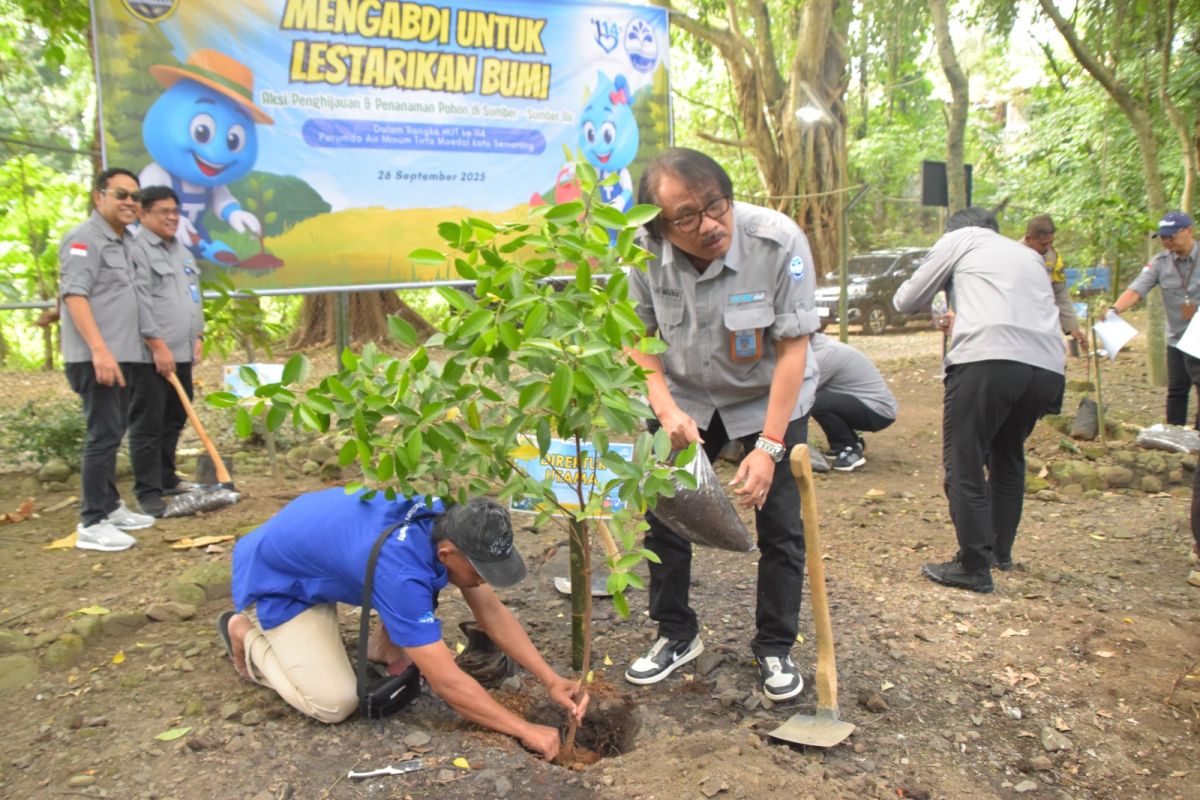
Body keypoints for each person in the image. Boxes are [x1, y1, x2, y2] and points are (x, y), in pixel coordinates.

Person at [622, 147, 820, 701]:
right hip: (682, 395)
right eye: (687, 217)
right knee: (665, 515)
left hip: (766, 396)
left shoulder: (778, 243)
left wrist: (770, 447)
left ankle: (776, 645)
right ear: (659, 226)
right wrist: (663, 408)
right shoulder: (638, 255)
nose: (710, 224)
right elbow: (636, 337)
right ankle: (676, 634)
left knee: (780, 524)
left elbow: (792, 351)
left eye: (716, 205)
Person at [220, 490, 587, 760]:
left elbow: (491, 612)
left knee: (410, 615)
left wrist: (551, 679)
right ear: (447, 553)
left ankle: (382, 647)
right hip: (281, 579)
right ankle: (246, 635)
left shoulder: (451, 518)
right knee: (334, 703)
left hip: (321, 546)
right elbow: (446, 683)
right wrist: (524, 729)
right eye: (480, 571)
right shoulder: (401, 573)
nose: (483, 580)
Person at [894, 207, 1065, 593]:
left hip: (989, 359)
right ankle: (998, 552)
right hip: (1047, 366)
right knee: (1008, 454)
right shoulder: (1027, 255)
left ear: (954, 230)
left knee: (964, 460)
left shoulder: (959, 239)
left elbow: (906, 299)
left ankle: (973, 565)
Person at [59, 168, 171, 552]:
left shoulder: (125, 243)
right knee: (103, 436)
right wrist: (100, 351)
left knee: (114, 431)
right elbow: (75, 296)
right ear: (98, 197)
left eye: (134, 197)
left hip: (124, 355)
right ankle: (92, 521)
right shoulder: (83, 240)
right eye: (120, 194)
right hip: (97, 357)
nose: (129, 202)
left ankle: (110, 507)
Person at [128, 186, 206, 517]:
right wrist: (157, 345)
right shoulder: (135, 251)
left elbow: (193, 295)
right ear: (143, 214)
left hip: (183, 351)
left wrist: (198, 335)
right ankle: (147, 492)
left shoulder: (181, 251)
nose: (172, 217)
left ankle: (166, 477)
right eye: (164, 211)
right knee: (148, 423)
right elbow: (138, 302)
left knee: (175, 417)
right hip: (151, 355)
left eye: (175, 211)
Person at [1109, 212, 1199, 427]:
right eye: (1163, 237)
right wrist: (1114, 309)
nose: (1166, 242)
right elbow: (1136, 290)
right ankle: (1173, 437)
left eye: (1171, 236)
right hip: (1177, 337)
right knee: (1177, 389)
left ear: (1189, 231)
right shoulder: (1160, 263)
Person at [810, 332, 897, 471]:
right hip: (868, 405)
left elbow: (800, 392)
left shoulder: (823, 354)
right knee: (819, 399)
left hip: (877, 410)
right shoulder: (819, 347)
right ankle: (847, 443)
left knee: (816, 401)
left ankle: (850, 449)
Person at [1020, 214, 1088, 352]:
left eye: (1051, 242)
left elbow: (1060, 294)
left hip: (1044, 326)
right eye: (1044, 244)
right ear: (1028, 239)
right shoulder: (1010, 255)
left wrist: (1071, 327)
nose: (1048, 247)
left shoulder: (1053, 258)